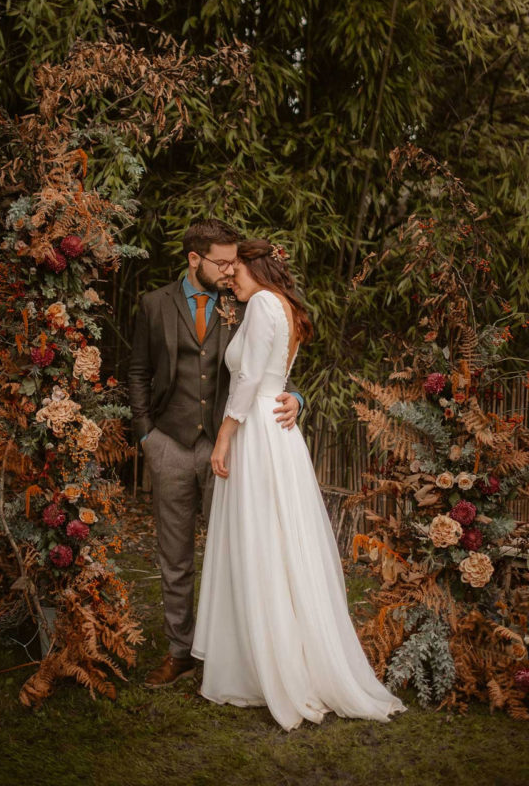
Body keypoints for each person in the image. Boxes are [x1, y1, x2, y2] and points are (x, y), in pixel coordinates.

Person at [192, 239, 407, 730]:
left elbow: (249, 378)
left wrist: (225, 436)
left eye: (238, 268)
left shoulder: (265, 303)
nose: (231, 277)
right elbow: (272, 374)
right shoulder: (278, 306)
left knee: (262, 541)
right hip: (273, 430)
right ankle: (254, 654)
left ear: (256, 267)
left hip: (257, 433)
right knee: (273, 541)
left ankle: (268, 664)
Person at [128, 220, 303, 688]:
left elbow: (270, 359)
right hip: (169, 444)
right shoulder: (153, 304)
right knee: (175, 556)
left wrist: (296, 398)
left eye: (234, 263)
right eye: (222, 263)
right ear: (193, 259)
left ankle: (229, 651)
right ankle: (180, 650)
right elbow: (139, 371)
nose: (230, 271)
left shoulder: (246, 300)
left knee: (235, 549)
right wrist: (146, 433)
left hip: (232, 446)